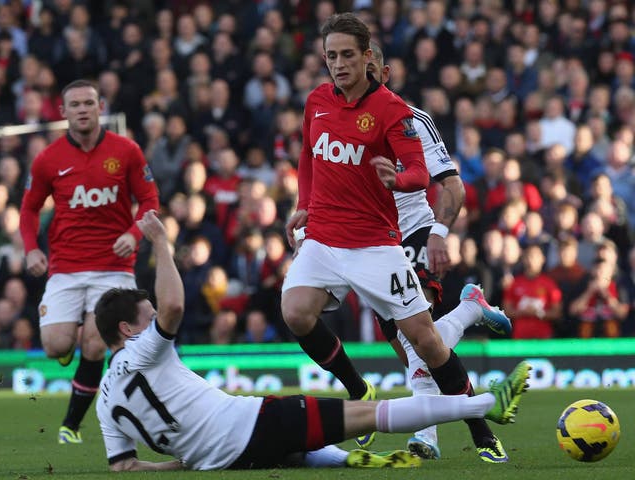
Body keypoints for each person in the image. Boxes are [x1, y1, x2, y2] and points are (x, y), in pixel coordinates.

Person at [95, 210, 531, 471]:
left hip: (227, 459)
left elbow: (125, 467)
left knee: (298, 448)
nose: (155, 321)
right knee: (370, 414)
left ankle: (347, 461)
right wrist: (162, 244)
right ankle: (487, 404)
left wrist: (180, 463)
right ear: (128, 330)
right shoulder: (140, 351)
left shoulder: (104, 400)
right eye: (145, 318)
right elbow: (172, 308)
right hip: (254, 425)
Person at [281, 13, 490, 451]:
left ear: (372, 61)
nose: (340, 64)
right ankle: (363, 391)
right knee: (297, 312)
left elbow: (429, 175)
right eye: (331, 56)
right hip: (325, 236)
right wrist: (304, 205)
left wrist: (426, 214)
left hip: (390, 238)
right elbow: (306, 154)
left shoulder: (401, 114)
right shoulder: (318, 101)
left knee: (423, 340)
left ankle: (466, 427)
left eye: (349, 56)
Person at [366, 43, 513, 462]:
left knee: (418, 340)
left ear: (385, 73)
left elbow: (453, 184)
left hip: (414, 231)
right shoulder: (340, 124)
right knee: (413, 346)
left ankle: (430, 436)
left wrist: (440, 232)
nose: (362, 75)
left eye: (370, 67)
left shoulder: (413, 121)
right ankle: (469, 309)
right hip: (370, 245)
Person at [20, 79, 160, 444]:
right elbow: (30, 208)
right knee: (56, 346)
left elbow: (149, 199)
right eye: (75, 104)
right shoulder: (48, 159)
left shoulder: (126, 151)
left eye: (89, 103)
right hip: (65, 266)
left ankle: (71, 426)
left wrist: (134, 233)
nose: (83, 109)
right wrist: (31, 247)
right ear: (63, 112)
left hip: (114, 268)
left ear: (101, 107)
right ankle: (69, 346)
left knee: (97, 345)